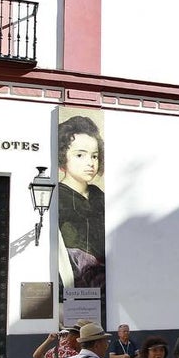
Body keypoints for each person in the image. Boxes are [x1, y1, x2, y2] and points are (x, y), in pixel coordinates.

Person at [57, 116, 105, 289]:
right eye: (80, 155)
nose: (90, 163)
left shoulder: (99, 196)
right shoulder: (57, 197)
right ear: (63, 157)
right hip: (74, 283)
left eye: (94, 156)